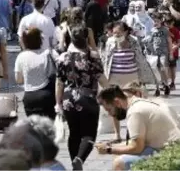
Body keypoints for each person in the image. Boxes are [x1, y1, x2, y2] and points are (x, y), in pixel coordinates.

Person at [95, 85, 180, 171]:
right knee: (119, 153)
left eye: (109, 110)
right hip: (171, 148)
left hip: (170, 154)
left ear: (117, 102)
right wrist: (110, 146)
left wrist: (108, 150)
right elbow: (136, 142)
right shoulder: (138, 103)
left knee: (119, 164)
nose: (110, 115)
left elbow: (137, 147)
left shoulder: (135, 112)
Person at [55, 25, 106, 171]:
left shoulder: (62, 57)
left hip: (68, 98)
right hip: (88, 97)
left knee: (74, 132)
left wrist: (58, 103)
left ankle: (74, 163)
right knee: (89, 133)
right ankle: (80, 159)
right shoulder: (92, 56)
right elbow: (102, 79)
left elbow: (59, 82)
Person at [101, 21, 156, 141]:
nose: (116, 35)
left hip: (131, 78)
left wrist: (143, 79)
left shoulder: (133, 41)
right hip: (114, 77)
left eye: (119, 33)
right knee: (114, 104)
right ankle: (117, 134)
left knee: (132, 105)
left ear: (126, 32)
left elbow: (140, 59)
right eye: (114, 33)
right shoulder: (110, 42)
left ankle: (132, 132)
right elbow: (105, 59)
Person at [15, 27, 57, 120]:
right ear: (40, 40)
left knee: (34, 128)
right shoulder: (47, 54)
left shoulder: (21, 57)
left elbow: (19, 79)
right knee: (49, 128)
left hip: (29, 97)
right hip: (46, 95)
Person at [143, 13, 173, 96]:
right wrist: (147, 48)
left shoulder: (165, 30)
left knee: (163, 66)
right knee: (155, 69)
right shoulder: (152, 30)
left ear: (161, 21)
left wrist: (171, 53)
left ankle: (166, 84)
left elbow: (169, 41)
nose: (155, 23)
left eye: (157, 21)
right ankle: (157, 87)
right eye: (154, 21)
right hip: (154, 53)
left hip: (163, 52)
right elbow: (149, 41)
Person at [166, 16, 180, 90]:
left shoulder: (176, 30)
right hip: (165, 52)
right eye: (166, 22)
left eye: (169, 23)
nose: (167, 24)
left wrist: (175, 47)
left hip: (173, 52)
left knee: (172, 68)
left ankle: (172, 83)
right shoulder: (165, 30)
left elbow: (179, 42)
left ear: (173, 22)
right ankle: (167, 83)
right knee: (166, 68)